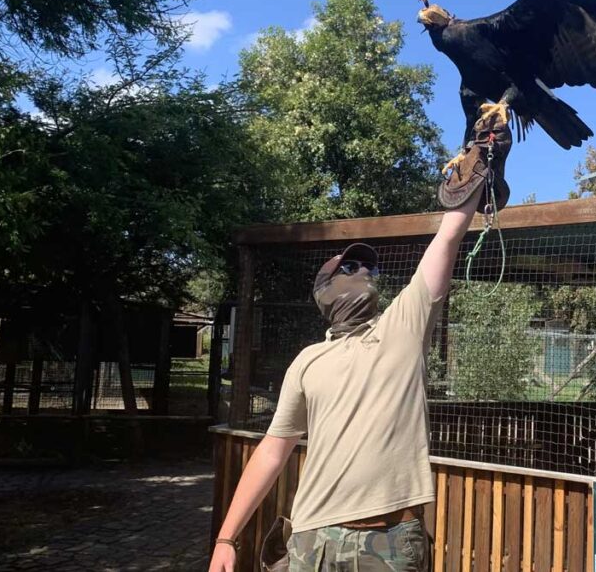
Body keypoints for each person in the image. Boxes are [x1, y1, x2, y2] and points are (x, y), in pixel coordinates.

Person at [209, 120, 509, 572]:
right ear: (324, 293)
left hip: (388, 542)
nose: (364, 273)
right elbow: (273, 451)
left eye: (368, 269)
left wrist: (485, 155)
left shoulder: (402, 327)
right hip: (312, 540)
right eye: (350, 267)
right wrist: (226, 538)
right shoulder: (308, 361)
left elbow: (448, 236)